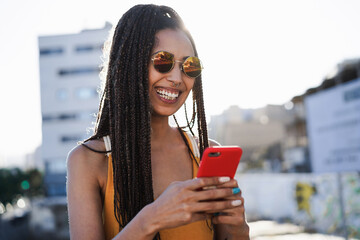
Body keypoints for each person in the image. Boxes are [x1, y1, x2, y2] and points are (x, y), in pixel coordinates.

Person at [66, 4, 249, 240]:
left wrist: (238, 228)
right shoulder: (89, 161)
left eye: (189, 66)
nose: (176, 78)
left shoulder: (206, 152)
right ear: (129, 66)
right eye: (163, 61)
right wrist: (151, 219)